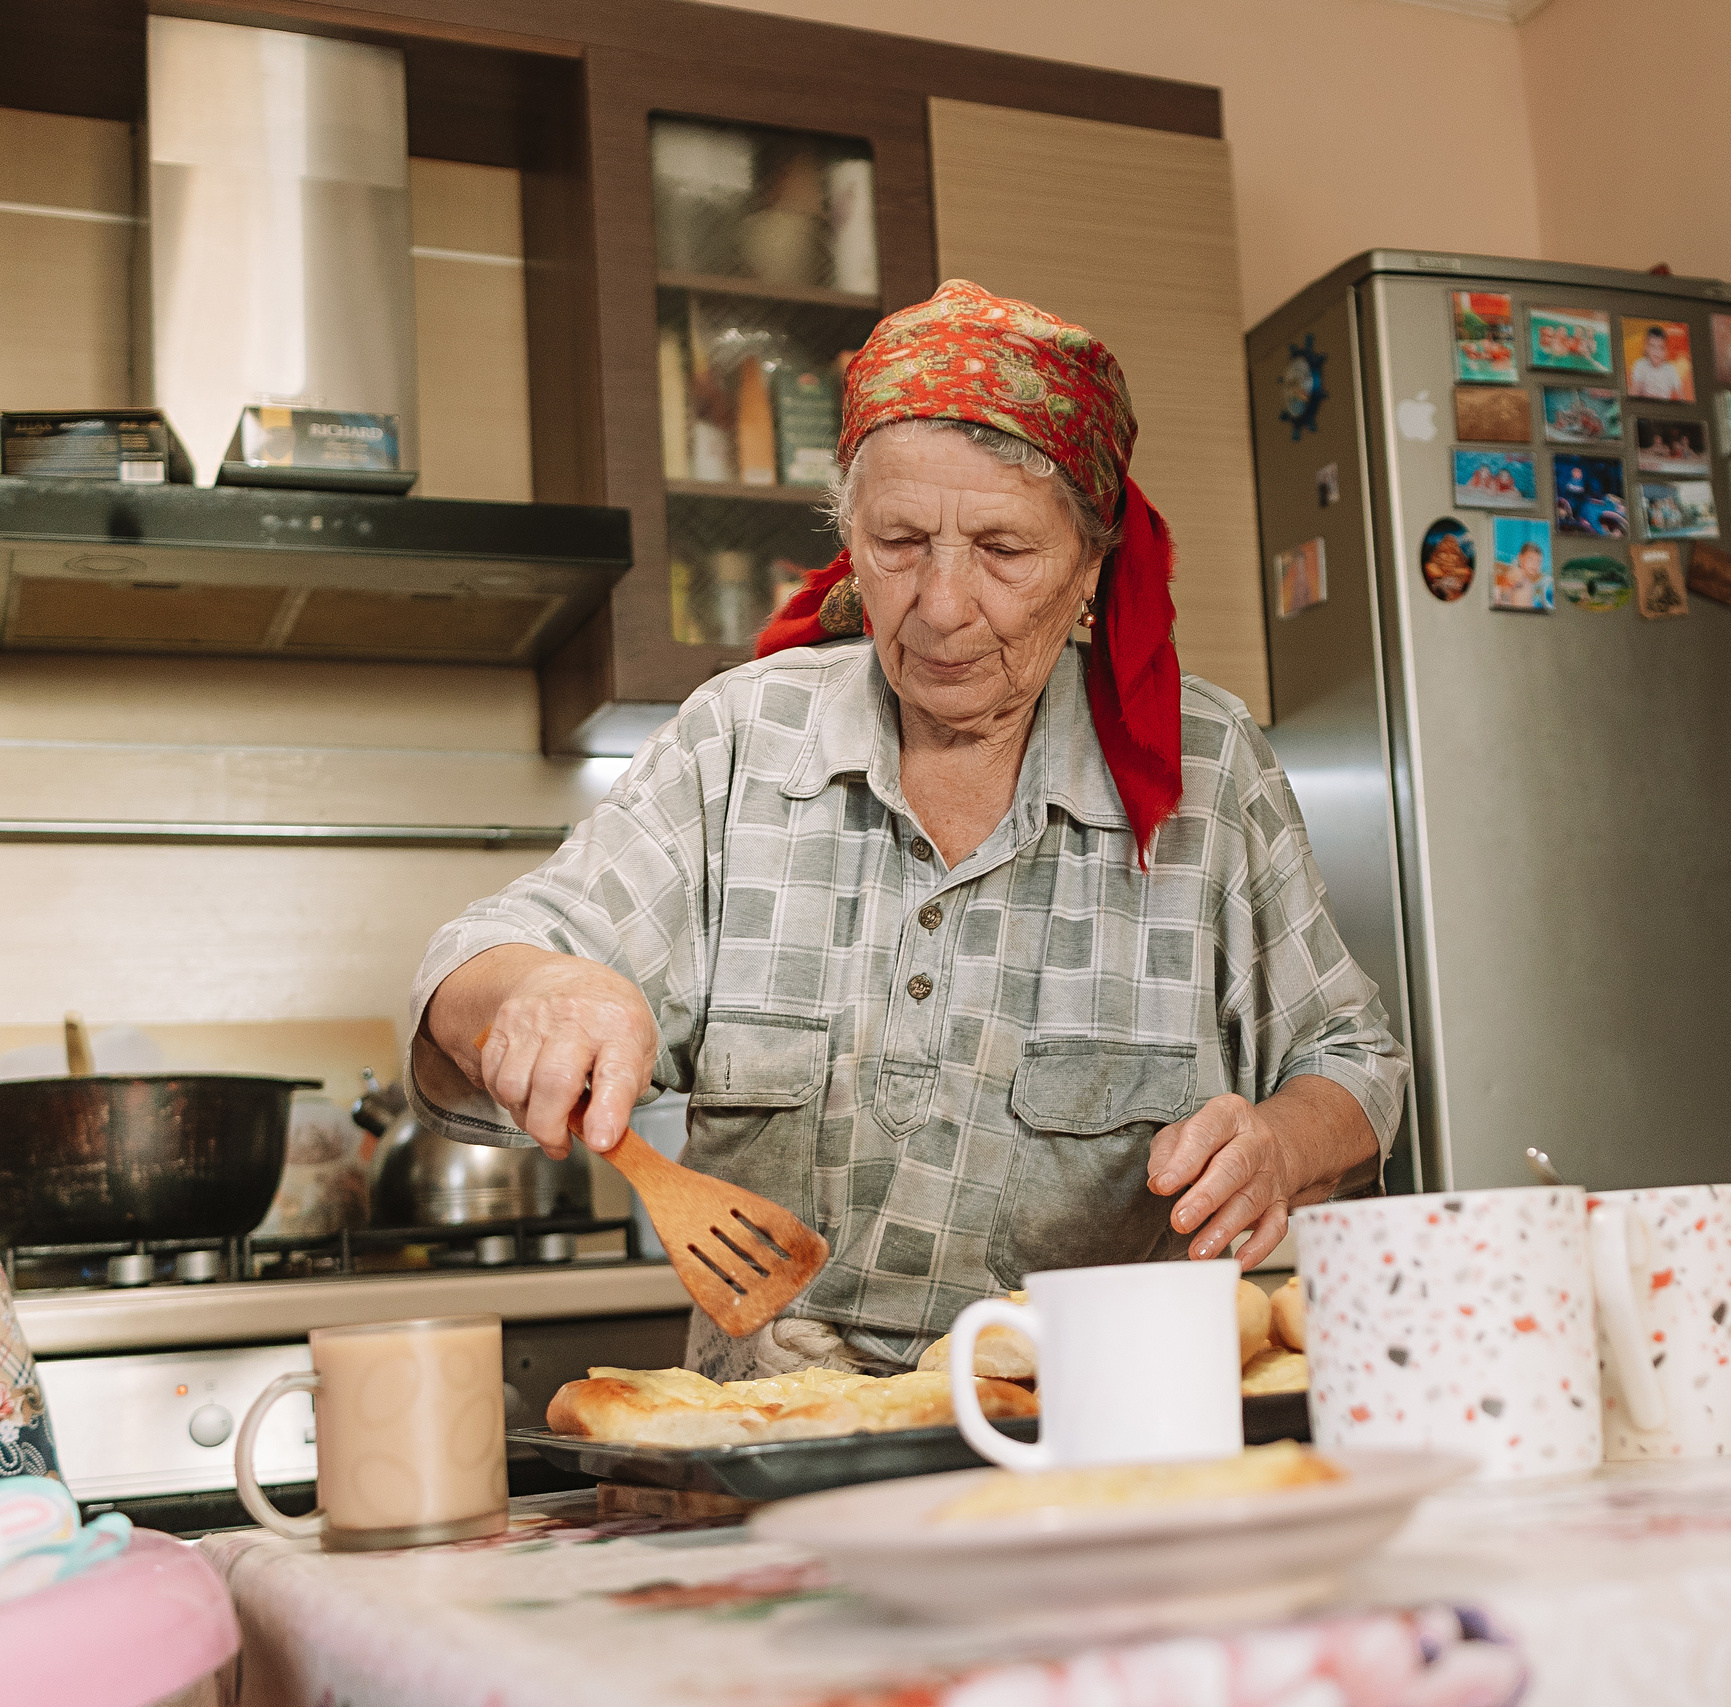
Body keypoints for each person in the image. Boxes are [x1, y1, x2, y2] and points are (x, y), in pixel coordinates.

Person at [404, 281, 1408, 1380]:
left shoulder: (1205, 765)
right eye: (899, 541)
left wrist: (1280, 1146)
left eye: (1003, 550)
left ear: (1090, 563)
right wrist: (538, 988)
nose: (939, 604)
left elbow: (1352, 1062)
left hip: (1104, 1413)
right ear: (850, 535)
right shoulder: (741, 742)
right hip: (782, 1426)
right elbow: (476, 962)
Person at [1626, 325, 1690, 401]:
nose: (1657, 352)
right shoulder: (1640, 365)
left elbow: (1680, 394)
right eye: (1652, 346)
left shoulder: (1670, 369)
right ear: (1646, 348)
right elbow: (1635, 389)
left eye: (1661, 347)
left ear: (1666, 351)